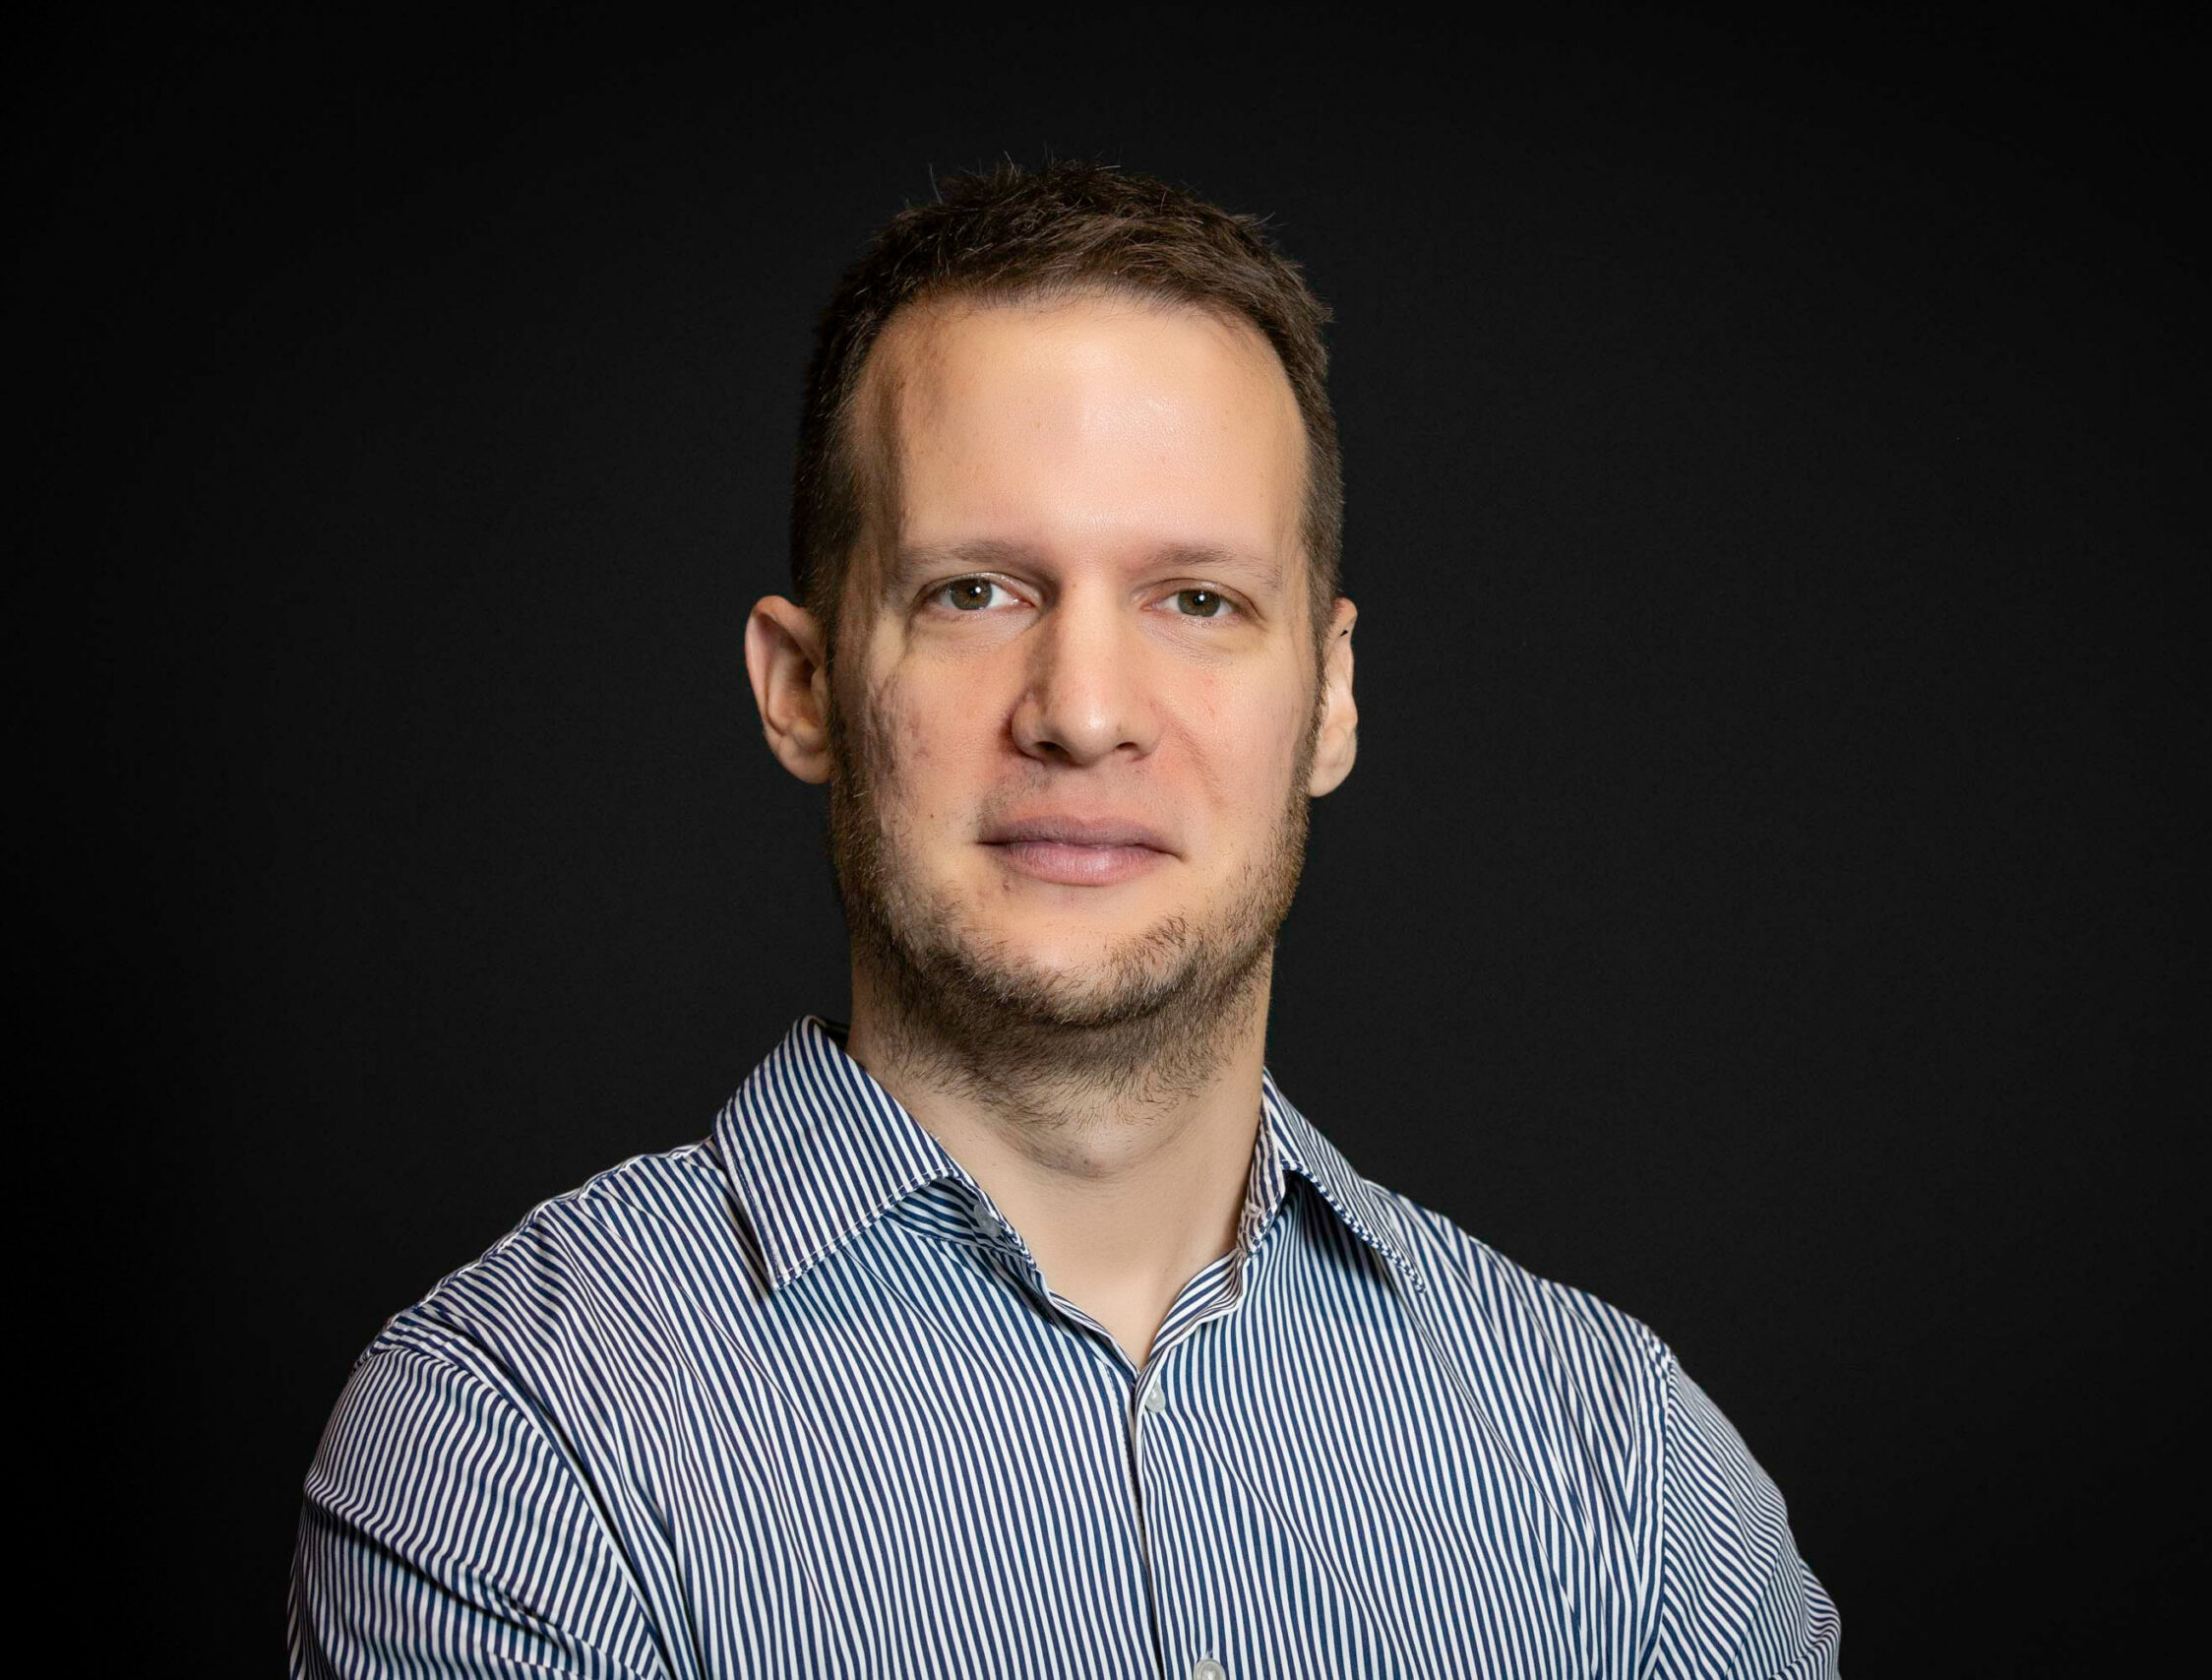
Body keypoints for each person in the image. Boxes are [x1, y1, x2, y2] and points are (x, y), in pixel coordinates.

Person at [288, 160, 1842, 1679]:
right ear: (804, 686)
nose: (1085, 713)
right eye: (975, 592)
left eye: (1198, 601)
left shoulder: (1628, 1477)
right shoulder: (512, 1448)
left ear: (1331, 697)